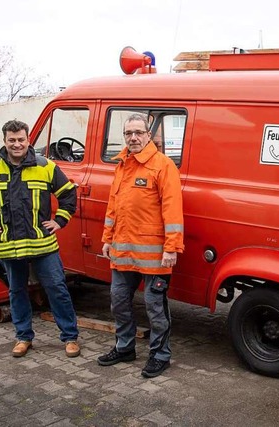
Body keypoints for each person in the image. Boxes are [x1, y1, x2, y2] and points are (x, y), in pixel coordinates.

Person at [0, 119, 80, 358]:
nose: (17, 144)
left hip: (43, 245)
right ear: (5, 141)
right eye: (12, 140)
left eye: (21, 140)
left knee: (57, 289)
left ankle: (70, 337)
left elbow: (68, 194)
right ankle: (23, 337)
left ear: (28, 140)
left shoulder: (45, 166)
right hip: (10, 247)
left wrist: (59, 221)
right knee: (17, 292)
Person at [98, 113, 184, 378]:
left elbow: (173, 210)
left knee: (154, 307)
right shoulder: (122, 164)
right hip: (122, 251)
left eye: (138, 132)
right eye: (128, 133)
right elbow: (114, 207)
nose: (133, 137)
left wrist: (172, 248)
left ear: (149, 135)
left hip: (154, 255)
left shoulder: (163, 166)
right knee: (118, 303)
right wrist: (107, 238)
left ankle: (160, 355)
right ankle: (125, 348)